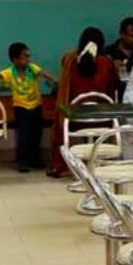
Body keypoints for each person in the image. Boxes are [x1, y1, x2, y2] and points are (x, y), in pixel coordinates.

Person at [0, 42, 55, 174]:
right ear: (15, 59)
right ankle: (22, 161)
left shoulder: (30, 69)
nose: (28, 59)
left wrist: (54, 81)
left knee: (36, 134)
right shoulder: (10, 72)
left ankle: (35, 159)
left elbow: (43, 74)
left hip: (36, 105)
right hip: (20, 107)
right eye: (25, 56)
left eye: (29, 56)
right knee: (23, 135)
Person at [49, 25, 118, 176]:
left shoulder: (69, 60)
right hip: (102, 119)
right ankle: (99, 163)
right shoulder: (107, 63)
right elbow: (113, 90)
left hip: (75, 119)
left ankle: (67, 165)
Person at [105, 17, 133, 90]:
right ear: (122, 34)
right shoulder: (108, 52)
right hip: (116, 97)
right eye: (132, 36)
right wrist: (110, 66)